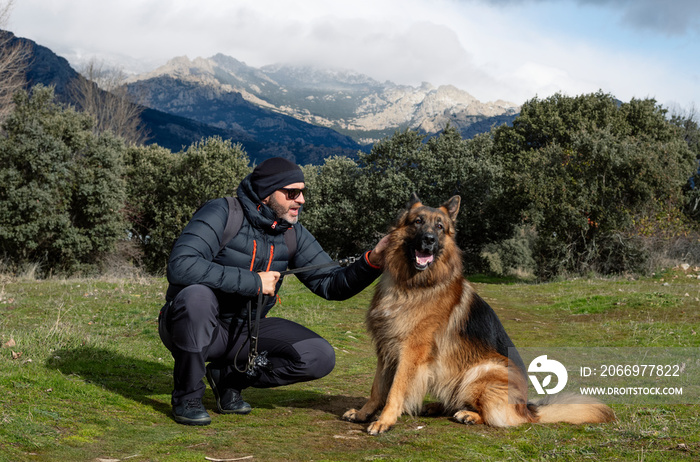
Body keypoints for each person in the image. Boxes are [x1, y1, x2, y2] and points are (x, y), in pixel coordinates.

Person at [158, 157, 388, 426]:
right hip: (191, 325)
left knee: (318, 356)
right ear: (267, 194)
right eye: (292, 193)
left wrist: (372, 260)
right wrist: (254, 282)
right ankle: (187, 397)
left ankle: (228, 379)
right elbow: (181, 265)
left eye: (302, 192)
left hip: (246, 333)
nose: (301, 199)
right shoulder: (223, 212)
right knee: (196, 296)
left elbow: (331, 284)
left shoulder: (292, 233)